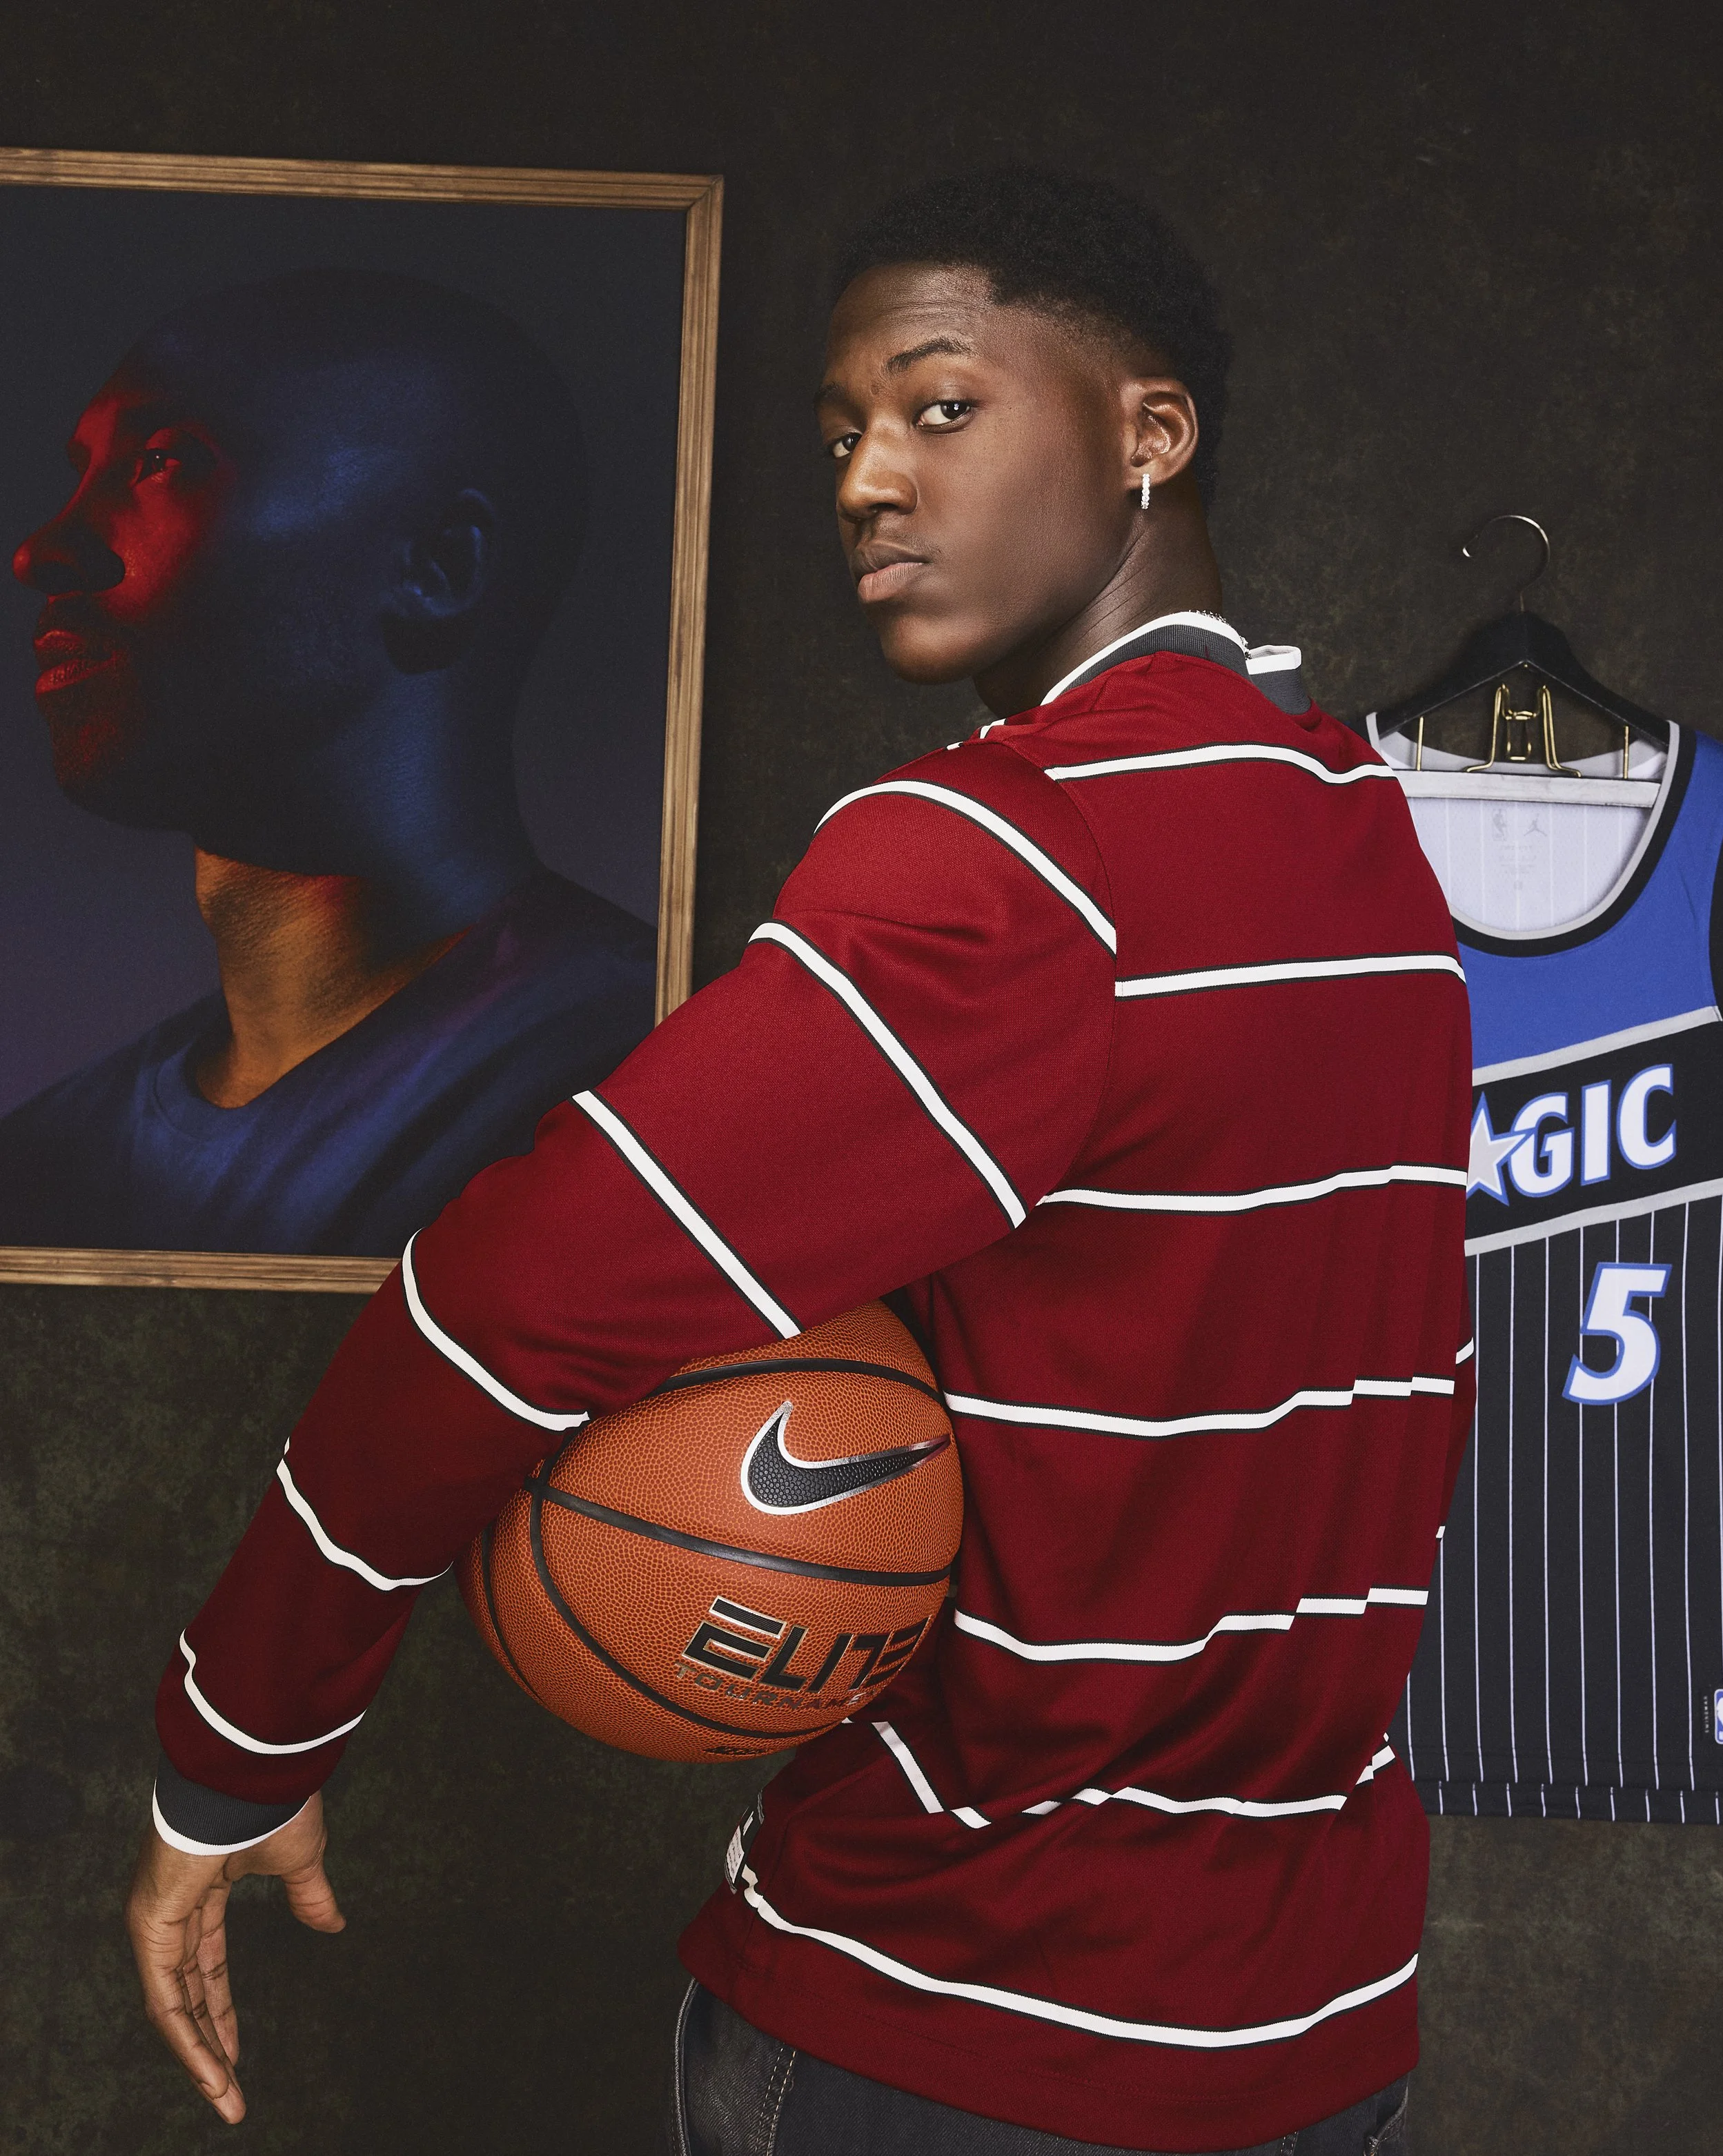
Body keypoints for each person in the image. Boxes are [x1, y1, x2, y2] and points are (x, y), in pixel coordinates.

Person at [126, 170, 1472, 2153]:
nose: (863, 480)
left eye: (939, 408)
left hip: (962, 2022)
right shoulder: (1365, 835)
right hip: (1316, 2041)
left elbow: (504, 1301)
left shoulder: (1009, 863)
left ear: (1146, 432)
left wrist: (232, 1747)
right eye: (841, 432)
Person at [0, 268, 655, 1258]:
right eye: (83, 473)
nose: (40, 552)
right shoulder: (46, 1165)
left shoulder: (646, 1088)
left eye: (162, 462)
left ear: (437, 568)